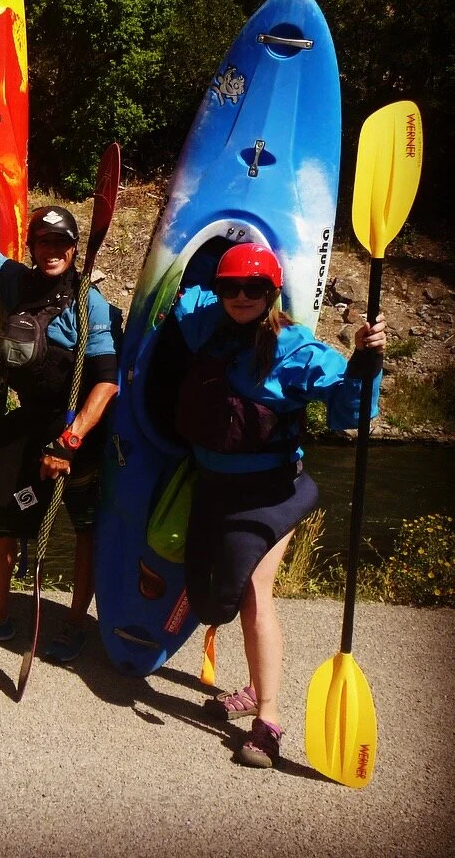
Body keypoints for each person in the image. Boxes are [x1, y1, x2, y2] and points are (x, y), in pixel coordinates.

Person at [170, 242, 385, 769]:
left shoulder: (294, 350)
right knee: (208, 599)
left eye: (254, 288)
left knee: (253, 594)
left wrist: (365, 360)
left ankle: (267, 720)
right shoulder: (206, 324)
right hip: (214, 488)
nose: (240, 297)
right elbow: (184, 283)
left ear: (273, 292)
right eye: (230, 287)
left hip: (272, 495)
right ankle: (251, 685)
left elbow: (349, 409)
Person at [0, 201, 121, 662]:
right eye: (44, 242)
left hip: (73, 426)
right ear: (32, 245)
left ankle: (75, 623)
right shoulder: (11, 279)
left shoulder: (89, 302)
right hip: (27, 420)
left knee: (82, 528)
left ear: (74, 249)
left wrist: (70, 441)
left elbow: (106, 381)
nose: (52, 251)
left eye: (62, 244)